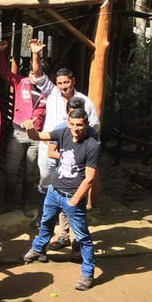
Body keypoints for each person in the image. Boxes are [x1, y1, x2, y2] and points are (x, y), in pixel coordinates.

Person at [22, 108, 100, 291]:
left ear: (86, 124)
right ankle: (39, 248)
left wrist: (75, 200)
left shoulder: (92, 145)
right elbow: (38, 136)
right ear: (67, 122)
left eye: (79, 125)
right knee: (46, 222)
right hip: (54, 191)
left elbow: (89, 178)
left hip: (72, 196)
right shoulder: (63, 131)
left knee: (82, 236)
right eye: (72, 124)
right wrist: (29, 129)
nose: (75, 128)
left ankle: (88, 273)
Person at [29, 39, 100, 225]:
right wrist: (35, 54)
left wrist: (83, 146)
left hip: (73, 151)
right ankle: (42, 217)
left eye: (66, 82)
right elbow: (37, 74)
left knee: (69, 184)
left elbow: (94, 125)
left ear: (73, 81)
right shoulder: (51, 93)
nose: (63, 86)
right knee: (45, 179)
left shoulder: (84, 101)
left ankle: (66, 224)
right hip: (48, 146)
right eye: (60, 83)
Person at [0, 39, 47, 218]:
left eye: (37, 72)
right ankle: (8, 203)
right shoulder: (20, 81)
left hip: (36, 136)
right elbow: (2, 72)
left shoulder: (47, 90)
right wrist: (2, 53)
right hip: (18, 133)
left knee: (30, 171)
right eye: (32, 71)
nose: (33, 75)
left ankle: (25, 204)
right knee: (10, 169)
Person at [46, 97, 99, 254]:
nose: (75, 126)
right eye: (72, 115)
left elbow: (93, 156)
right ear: (67, 114)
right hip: (63, 175)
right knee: (63, 210)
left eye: (80, 115)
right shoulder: (62, 129)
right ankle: (63, 236)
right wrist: (68, 157)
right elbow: (51, 152)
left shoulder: (90, 133)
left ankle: (78, 242)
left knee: (77, 211)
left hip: (79, 178)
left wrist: (80, 159)